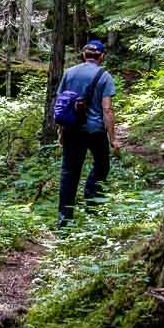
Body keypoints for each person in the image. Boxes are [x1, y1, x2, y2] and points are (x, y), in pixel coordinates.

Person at [55, 40, 120, 228]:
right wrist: (113, 139)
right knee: (101, 167)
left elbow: (62, 105)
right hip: (95, 131)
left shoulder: (69, 73)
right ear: (101, 57)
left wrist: (61, 132)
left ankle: (64, 222)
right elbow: (107, 110)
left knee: (69, 173)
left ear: (84, 55)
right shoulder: (104, 76)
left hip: (72, 130)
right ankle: (93, 207)